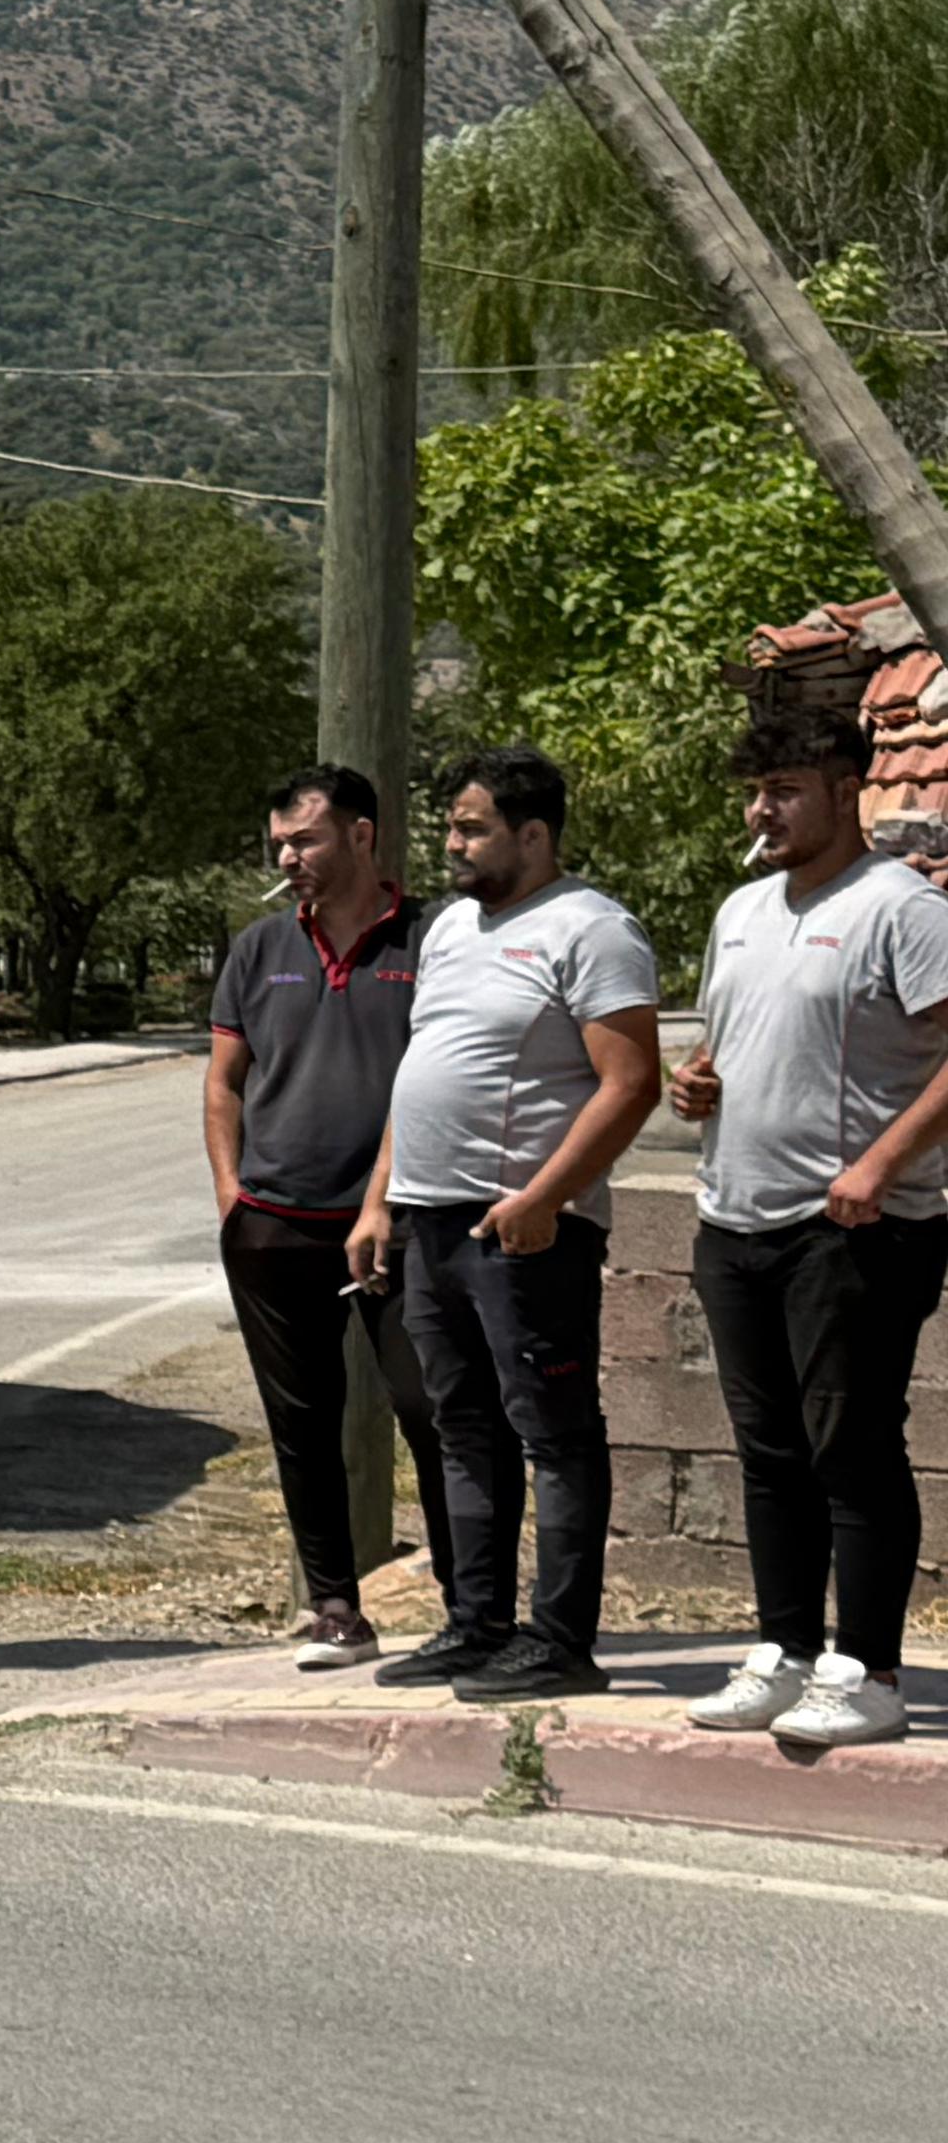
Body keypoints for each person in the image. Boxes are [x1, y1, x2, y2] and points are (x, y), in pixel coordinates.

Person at [347, 747, 662, 1702]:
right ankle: (473, 1623)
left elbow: (632, 1082)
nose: (452, 843)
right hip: (430, 1225)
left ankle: (561, 1638)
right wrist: (378, 1201)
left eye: (473, 827)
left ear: (535, 834)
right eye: (451, 825)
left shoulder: (593, 929)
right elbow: (426, 1070)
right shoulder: (448, 930)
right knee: (462, 1430)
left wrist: (547, 1197)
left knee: (555, 1434)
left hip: (527, 1232)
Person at [662, 706, 948, 1751]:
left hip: (852, 1232)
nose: (761, 808)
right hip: (731, 1220)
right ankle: (783, 1652)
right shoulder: (739, 908)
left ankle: (867, 1672)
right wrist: (692, 1088)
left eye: (783, 788)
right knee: (767, 1452)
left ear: (843, 791)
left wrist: (877, 1164)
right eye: (754, 790)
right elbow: (722, 1050)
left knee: (852, 1450)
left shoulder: (900, 907)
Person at [207, 764, 451, 1669]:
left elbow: (438, 1075)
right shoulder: (260, 947)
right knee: (300, 1424)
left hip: (399, 1222)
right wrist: (232, 1197)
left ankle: (469, 1605)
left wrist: (383, 1199)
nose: (287, 857)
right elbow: (224, 1081)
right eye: (279, 842)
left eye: (304, 838)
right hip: (273, 1224)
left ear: (360, 835)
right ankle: (336, 1610)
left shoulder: (432, 937)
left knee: (430, 1408)